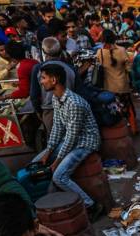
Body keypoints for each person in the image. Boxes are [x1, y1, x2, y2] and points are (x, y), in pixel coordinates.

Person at [35, 64, 103, 217]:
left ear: (54, 80)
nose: (41, 81)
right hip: (71, 140)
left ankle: (92, 205)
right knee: (37, 161)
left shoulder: (74, 103)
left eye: (44, 78)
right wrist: (49, 150)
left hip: (85, 143)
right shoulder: (56, 98)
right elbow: (58, 127)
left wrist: (56, 161)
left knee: (58, 176)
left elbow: (72, 136)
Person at [30, 37, 78, 134]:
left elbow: (34, 95)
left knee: (54, 139)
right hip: (71, 109)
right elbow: (79, 91)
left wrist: (39, 112)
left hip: (49, 111)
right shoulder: (70, 68)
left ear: (43, 51)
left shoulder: (38, 69)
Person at [97, 30, 136, 133]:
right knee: (128, 107)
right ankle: (134, 129)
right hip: (122, 85)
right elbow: (129, 68)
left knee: (115, 110)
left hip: (108, 87)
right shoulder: (122, 50)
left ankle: (120, 131)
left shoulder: (99, 52)